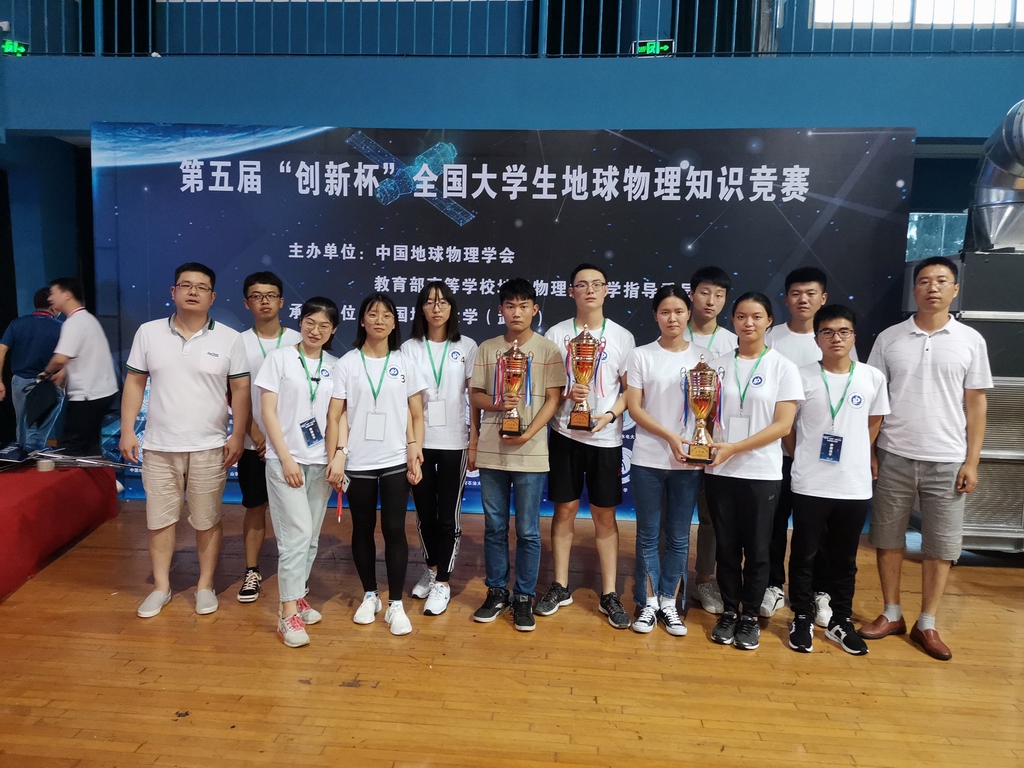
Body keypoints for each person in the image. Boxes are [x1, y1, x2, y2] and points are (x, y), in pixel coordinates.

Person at [860, 256, 992, 661]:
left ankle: (927, 622)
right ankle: (892, 612)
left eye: (941, 281)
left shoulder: (970, 340)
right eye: (924, 281)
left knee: (941, 544)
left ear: (955, 289)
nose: (932, 288)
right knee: (887, 537)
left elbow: (977, 404)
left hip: (948, 457)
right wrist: (870, 451)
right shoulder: (889, 338)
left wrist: (972, 461)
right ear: (914, 288)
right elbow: (873, 400)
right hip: (894, 452)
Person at [120, 262, 250, 618]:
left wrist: (237, 433)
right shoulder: (148, 333)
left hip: (209, 445)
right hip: (160, 446)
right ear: (173, 292)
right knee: (160, 520)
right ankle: (161, 587)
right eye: (185, 285)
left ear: (213, 297)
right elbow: (135, 382)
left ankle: (205, 585)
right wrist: (128, 430)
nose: (193, 292)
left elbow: (240, 389)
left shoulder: (230, 338)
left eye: (201, 287)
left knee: (207, 520)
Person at [782, 304, 889, 655]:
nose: (836, 338)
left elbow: (874, 422)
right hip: (810, 482)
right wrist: (804, 457)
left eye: (843, 331)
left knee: (845, 558)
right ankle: (801, 616)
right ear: (817, 338)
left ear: (854, 336)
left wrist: (856, 454)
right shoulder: (800, 376)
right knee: (804, 553)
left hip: (853, 484)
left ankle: (840, 620)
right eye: (827, 332)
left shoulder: (872, 377)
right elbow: (788, 428)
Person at [538, 263, 634, 630]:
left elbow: (630, 391)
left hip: (605, 438)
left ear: (607, 290)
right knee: (564, 510)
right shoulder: (557, 334)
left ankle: (609, 593)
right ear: (571, 292)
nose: (590, 290)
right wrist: (567, 393)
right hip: (565, 433)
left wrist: (609, 416)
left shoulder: (622, 337)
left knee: (604, 515)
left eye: (597, 284)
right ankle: (560, 585)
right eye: (582, 285)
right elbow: (547, 389)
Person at [704, 292, 803, 650]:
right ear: (732, 321)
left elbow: (783, 425)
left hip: (762, 472)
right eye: (742, 316)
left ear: (769, 321)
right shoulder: (715, 365)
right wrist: (708, 444)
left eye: (757, 317)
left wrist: (734, 447)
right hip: (720, 472)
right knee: (726, 548)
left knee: (759, 549)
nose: (749, 323)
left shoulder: (783, 367)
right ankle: (730, 611)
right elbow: (702, 416)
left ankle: (750, 617)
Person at [325, 293, 426, 637]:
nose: (379, 320)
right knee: (362, 529)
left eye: (386, 315)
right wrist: (338, 453)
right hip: (358, 461)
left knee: (395, 530)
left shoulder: (405, 363)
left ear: (395, 323)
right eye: (372, 314)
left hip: (396, 459)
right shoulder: (347, 363)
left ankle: (395, 603)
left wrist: (415, 449)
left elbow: (416, 414)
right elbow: (336, 414)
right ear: (362, 321)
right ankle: (370, 595)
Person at [469, 278, 565, 632]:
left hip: (531, 452)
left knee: (527, 530)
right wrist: (499, 405)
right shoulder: (487, 349)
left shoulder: (548, 350)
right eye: (510, 306)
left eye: (524, 305)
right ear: (501, 310)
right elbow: (475, 396)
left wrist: (527, 433)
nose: (517, 312)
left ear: (535, 309)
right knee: (494, 527)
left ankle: (524, 596)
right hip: (492, 451)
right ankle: (497, 591)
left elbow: (554, 399)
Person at [763, 266, 857, 624]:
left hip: (823, 459)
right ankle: (773, 584)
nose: (803, 299)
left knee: (819, 530)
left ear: (823, 298)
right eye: (796, 293)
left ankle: (819, 592)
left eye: (811, 293)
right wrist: (790, 444)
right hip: (778, 451)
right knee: (774, 522)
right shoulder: (772, 338)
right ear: (786, 299)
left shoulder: (840, 340)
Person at [256, 297, 340, 648]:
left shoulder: (336, 366)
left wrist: (337, 458)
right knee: (296, 536)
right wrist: (286, 458)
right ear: (300, 321)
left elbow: (338, 416)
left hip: (321, 462)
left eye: (324, 325)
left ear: (333, 330)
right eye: (309, 322)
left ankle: (299, 595)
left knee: (311, 537)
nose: (315, 330)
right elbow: (268, 412)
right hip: (285, 462)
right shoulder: (279, 359)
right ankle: (286, 613)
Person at [625, 285, 708, 636]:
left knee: (678, 536)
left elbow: (710, 412)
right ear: (655, 316)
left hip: (688, 461)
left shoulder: (705, 358)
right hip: (648, 458)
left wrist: (693, 442)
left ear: (689, 314)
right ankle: (647, 603)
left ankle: (669, 602)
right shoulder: (641, 355)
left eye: (678, 311)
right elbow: (634, 408)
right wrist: (670, 437)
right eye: (664, 312)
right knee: (647, 534)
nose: (672, 318)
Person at [402, 282, 478, 617]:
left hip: (453, 442)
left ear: (452, 308)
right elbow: (404, 401)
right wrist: (410, 443)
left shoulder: (467, 345)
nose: (436, 308)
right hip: (419, 442)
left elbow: (473, 397)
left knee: (448, 515)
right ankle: (431, 569)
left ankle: (444, 582)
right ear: (421, 308)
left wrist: (473, 439)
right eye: (430, 302)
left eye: (443, 302)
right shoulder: (408, 348)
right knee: (424, 513)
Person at [236, 272, 302, 604]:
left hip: (291, 447)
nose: (264, 301)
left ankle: (297, 577)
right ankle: (252, 571)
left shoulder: (298, 340)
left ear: (282, 301)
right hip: (254, 444)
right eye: (257, 296)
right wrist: (255, 432)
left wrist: (279, 441)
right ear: (247, 303)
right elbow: (234, 394)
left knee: (293, 514)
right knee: (254, 506)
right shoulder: (238, 343)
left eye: (271, 295)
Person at [684, 266, 739, 615]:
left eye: (719, 295)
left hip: (714, 444)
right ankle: (668, 577)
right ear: (692, 294)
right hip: (676, 443)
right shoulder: (674, 332)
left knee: (711, 518)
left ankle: (704, 579)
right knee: (670, 517)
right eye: (705, 292)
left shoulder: (732, 343)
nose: (711, 301)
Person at [41, 277, 119, 456]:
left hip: (87, 395)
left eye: (53, 293)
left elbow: (60, 358)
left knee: (72, 448)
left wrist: (44, 373)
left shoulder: (73, 323)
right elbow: (83, 354)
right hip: (103, 392)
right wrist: (64, 372)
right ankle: (100, 474)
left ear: (67, 295)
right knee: (90, 447)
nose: (50, 298)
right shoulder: (88, 319)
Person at [0, 288, 63, 451]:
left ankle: (22, 458)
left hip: (19, 382)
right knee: (36, 432)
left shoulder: (17, 324)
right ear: (52, 305)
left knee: (22, 427)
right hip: (46, 383)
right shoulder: (61, 328)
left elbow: (1, 350)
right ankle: (33, 456)